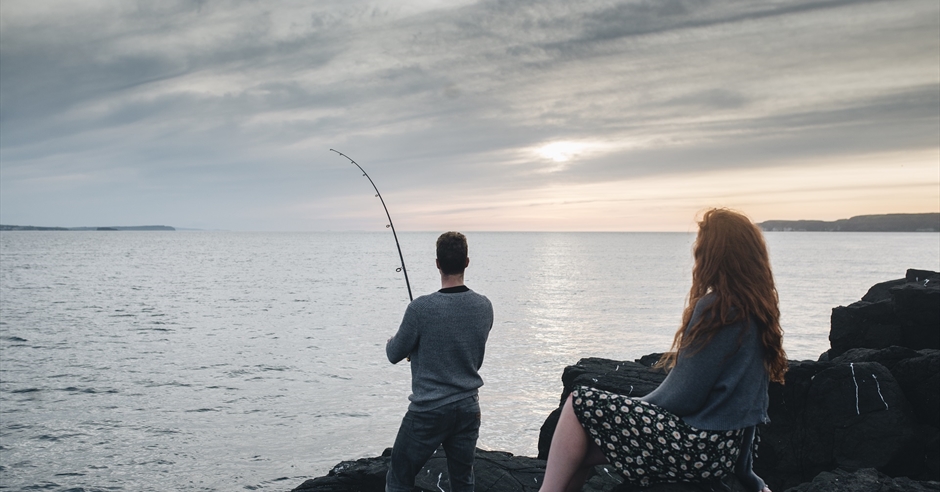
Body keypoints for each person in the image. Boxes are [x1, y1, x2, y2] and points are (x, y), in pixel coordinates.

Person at [539, 208, 787, 492]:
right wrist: (750, 478)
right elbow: (748, 411)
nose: (697, 254)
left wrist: (633, 408)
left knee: (579, 401)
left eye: (701, 247)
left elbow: (683, 396)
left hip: (696, 448)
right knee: (579, 452)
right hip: (723, 453)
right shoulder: (758, 312)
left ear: (714, 255)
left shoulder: (717, 309)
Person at [385, 231, 494, 492]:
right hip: (468, 406)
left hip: (428, 410)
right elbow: (463, 346)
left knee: (398, 479)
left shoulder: (420, 309)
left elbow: (393, 354)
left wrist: (404, 344)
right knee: (463, 481)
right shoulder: (484, 306)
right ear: (467, 261)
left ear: (437, 263)